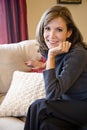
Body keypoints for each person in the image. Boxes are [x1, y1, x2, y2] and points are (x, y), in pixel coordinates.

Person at [24, 5, 87, 130]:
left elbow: (52, 95)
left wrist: (51, 55)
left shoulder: (78, 53)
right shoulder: (59, 51)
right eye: (47, 28)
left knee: (37, 106)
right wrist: (44, 62)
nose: (51, 35)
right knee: (46, 125)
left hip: (83, 107)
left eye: (59, 29)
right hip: (69, 107)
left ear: (69, 32)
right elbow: (61, 70)